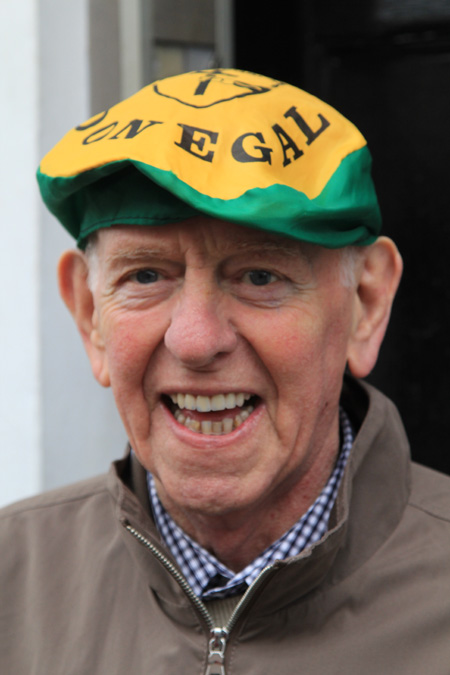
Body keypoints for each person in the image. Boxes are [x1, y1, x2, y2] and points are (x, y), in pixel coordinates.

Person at [1, 68, 449, 674]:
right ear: (89, 314)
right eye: (147, 276)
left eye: (260, 276)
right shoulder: (12, 583)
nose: (194, 341)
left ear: (365, 307)